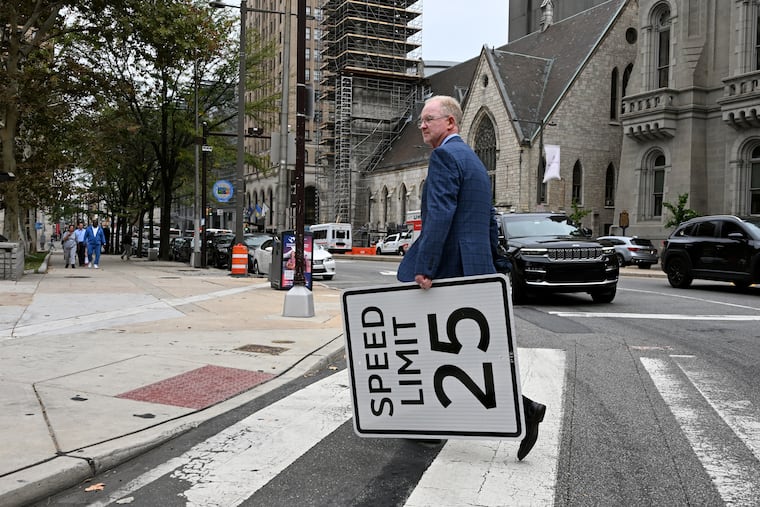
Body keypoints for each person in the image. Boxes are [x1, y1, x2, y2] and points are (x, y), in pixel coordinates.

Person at [397, 95, 547, 461]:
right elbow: (486, 217)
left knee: (435, 347)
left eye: (428, 118)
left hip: (450, 270)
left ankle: (436, 426)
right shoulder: (475, 162)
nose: (422, 124)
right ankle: (524, 408)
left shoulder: (445, 157)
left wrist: (425, 267)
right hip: (473, 268)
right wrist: (495, 261)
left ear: (450, 122)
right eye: (421, 119)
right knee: (464, 351)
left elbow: (440, 217)